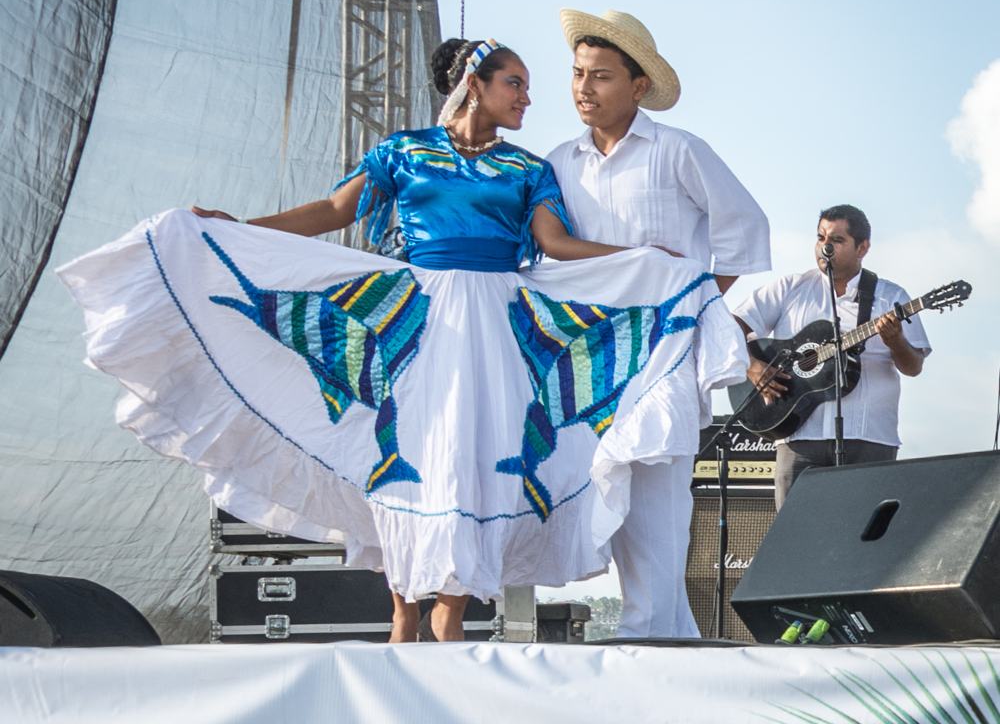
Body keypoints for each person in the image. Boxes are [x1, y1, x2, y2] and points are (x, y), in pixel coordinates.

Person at [58, 37, 748, 644]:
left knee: (473, 456)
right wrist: (240, 227)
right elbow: (334, 210)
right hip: (419, 318)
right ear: (474, 84)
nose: (529, 98)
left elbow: (555, 244)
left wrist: (650, 262)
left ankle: (451, 610)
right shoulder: (406, 152)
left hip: (494, 327)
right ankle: (403, 613)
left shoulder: (528, 168)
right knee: (406, 450)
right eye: (516, 83)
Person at [546, 9, 771, 640]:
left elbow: (746, 227)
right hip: (589, 360)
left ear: (639, 85)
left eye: (601, 76)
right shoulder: (558, 162)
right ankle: (667, 647)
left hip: (663, 358)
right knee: (601, 499)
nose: (584, 88)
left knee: (656, 513)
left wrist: (695, 303)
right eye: (578, 74)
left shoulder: (678, 149)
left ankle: (646, 643)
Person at [732, 204, 931, 509]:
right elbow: (729, 326)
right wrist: (753, 366)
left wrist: (897, 342)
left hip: (868, 438)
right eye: (820, 238)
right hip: (797, 436)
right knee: (794, 530)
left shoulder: (891, 297)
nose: (825, 247)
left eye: (837, 240)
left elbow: (913, 367)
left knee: (865, 531)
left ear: (862, 248)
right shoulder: (790, 288)